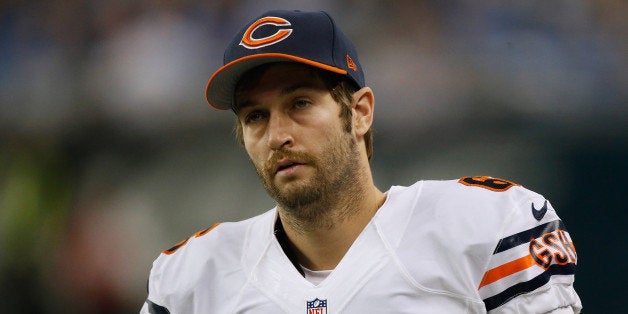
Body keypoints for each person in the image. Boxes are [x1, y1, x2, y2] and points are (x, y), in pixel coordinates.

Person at [141, 9, 581, 313]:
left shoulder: (482, 228)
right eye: (256, 116)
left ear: (361, 112)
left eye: (300, 103)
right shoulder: (193, 278)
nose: (278, 135)